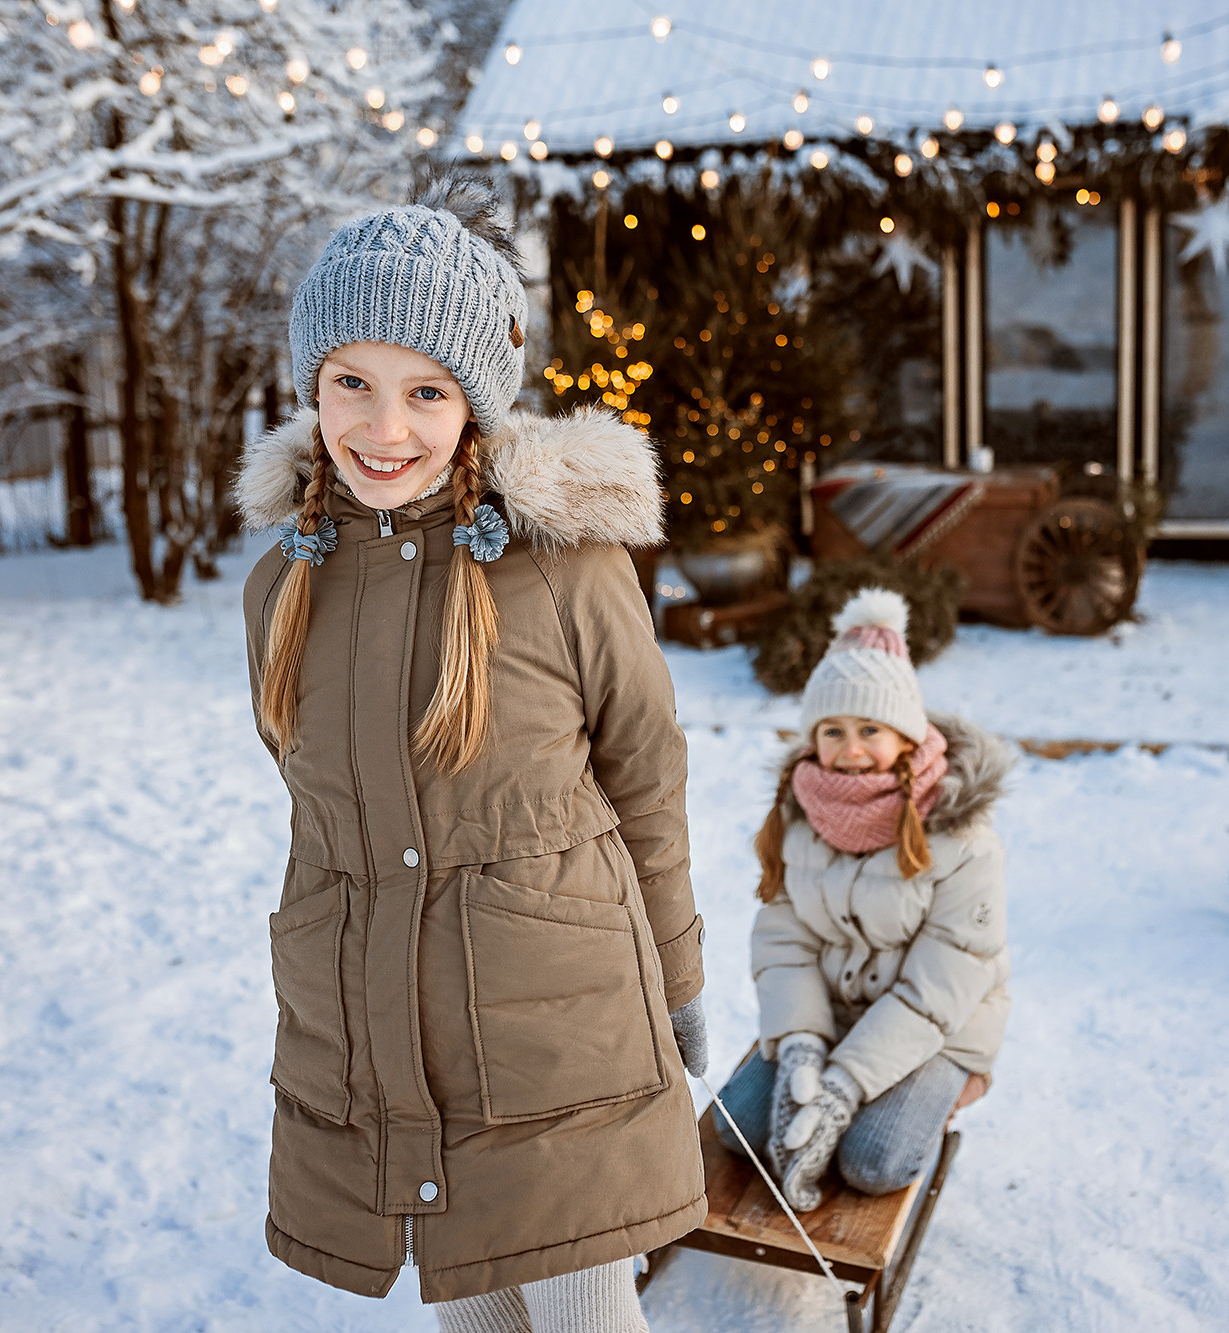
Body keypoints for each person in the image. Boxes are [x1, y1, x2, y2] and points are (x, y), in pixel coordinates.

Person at [237, 178, 707, 1332]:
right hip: (382, 1033)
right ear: (311, 386)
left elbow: (644, 772)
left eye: (425, 390)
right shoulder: (283, 586)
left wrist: (679, 975)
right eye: (351, 381)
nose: (381, 428)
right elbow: (317, 802)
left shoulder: (564, 568)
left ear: (476, 400)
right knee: (477, 1310)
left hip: (559, 1040)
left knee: (584, 1309)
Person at [715, 588, 1012, 1210]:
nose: (850, 750)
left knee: (871, 1163)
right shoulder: (800, 819)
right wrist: (801, 1041)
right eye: (833, 730)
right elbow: (784, 939)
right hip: (834, 1010)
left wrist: (843, 1085)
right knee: (735, 1129)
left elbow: (939, 990)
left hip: (937, 1027)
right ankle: (813, 1061)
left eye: (870, 729)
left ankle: (948, 1089)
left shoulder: (962, 840)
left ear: (907, 738)